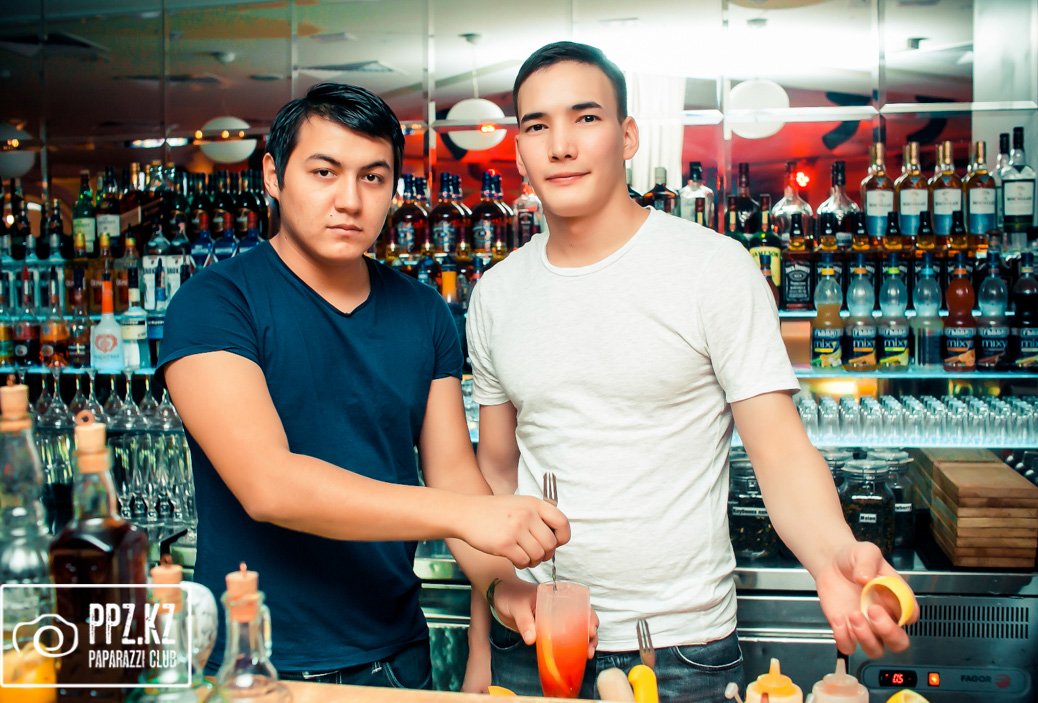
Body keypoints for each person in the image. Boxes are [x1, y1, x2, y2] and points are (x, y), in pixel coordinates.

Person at [462, 42, 917, 701]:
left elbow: (780, 452)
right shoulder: (497, 295)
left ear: (627, 136)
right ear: (520, 150)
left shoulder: (713, 268)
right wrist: (485, 636)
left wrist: (831, 556)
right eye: (537, 125)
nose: (560, 146)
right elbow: (495, 481)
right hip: (533, 641)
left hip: (681, 648)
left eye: (585, 118)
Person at [160, 82, 586, 687]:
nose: (350, 201)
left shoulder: (422, 311)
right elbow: (269, 485)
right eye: (324, 172)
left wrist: (503, 587)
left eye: (372, 178)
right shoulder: (215, 303)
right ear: (274, 176)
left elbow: (453, 475)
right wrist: (466, 516)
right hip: (256, 666)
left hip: (397, 660)